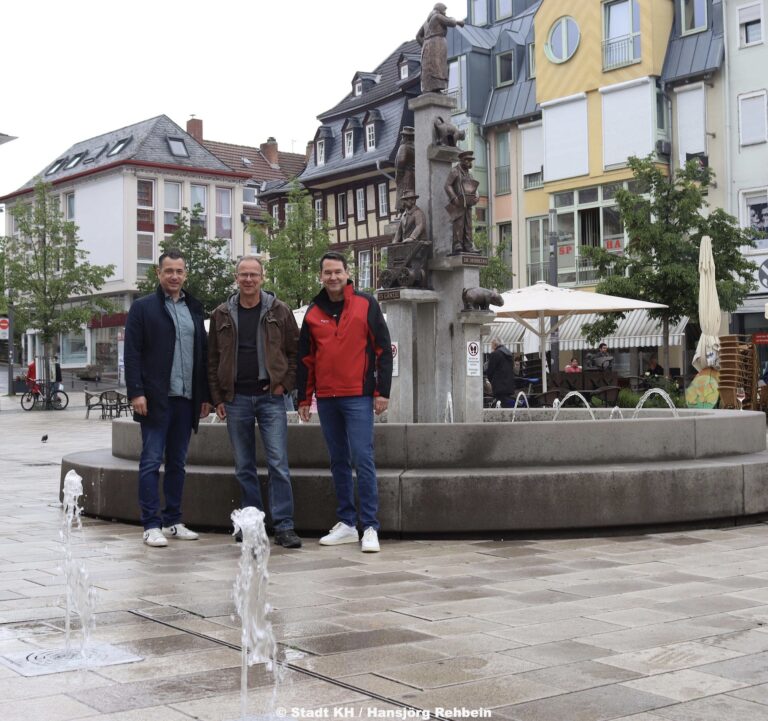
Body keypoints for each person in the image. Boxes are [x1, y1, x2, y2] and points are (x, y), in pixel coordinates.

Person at [297, 251, 393, 553]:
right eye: (327, 273)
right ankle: (348, 524)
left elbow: (383, 351)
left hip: (358, 396)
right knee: (337, 460)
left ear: (347, 272)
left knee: (362, 459)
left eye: (337, 272)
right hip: (326, 398)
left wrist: (383, 392)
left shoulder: (366, 304)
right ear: (321, 276)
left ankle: (371, 527)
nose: (333, 277)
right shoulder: (312, 313)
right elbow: (305, 361)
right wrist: (303, 398)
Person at [207, 256, 302, 549]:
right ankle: (251, 524)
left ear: (262, 277)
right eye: (243, 275)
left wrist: (284, 386)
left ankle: (284, 525)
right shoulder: (221, 313)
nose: (248, 280)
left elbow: (295, 353)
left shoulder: (279, 310)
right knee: (244, 466)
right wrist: (218, 398)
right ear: (236, 278)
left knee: (278, 464)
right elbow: (212, 361)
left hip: (270, 397)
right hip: (235, 399)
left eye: (254, 275)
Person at [124, 249, 211, 548]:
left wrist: (204, 395)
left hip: (186, 399)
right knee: (150, 461)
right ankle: (151, 524)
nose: (174, 276)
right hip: (155, 398)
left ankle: (173, 520)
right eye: (168, 271)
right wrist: (136, 391)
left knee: (178, 463)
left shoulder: (194, 309)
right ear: (158, 274)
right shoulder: (143, 308)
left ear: (186, 274)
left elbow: (203, 355)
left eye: (179, 271)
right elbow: (132, 353)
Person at [416, 3, 464, 93]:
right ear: (439, 9)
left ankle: (429, 88)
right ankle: (437, 87)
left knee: (430, 68)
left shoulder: (426, 22)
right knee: (438, 67)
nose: (445, 12)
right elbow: (452, 23)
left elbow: (418, 36)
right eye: (444, 10)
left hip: (427, 46)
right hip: (437, 43)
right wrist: (457, 21)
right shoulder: (437, 16)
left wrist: (426, 44)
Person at [444, 151, 480, 253]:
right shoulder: (455, 171)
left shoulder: (470, 175)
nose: (469, 163)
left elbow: (475, 187)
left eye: (471, 160)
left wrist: (477, 196)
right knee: (458, 224)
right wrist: (453, 198)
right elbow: (447, 185)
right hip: (458, 203)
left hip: (468, 204)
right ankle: (457, 244)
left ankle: (469, 245)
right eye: (468, 160)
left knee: (468, 225)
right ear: (462, 160)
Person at [485, 338, 517, 407]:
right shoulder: (509, 354)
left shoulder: (495, 354)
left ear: (495, 345)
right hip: (509, 385)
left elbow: (490, 371)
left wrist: (492, 381)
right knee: (506, 405)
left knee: (500, 405)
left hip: (499, 386)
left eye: (492, 346)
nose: (491, 348)